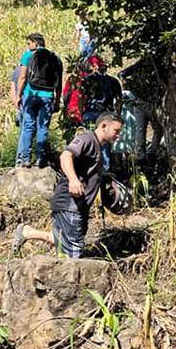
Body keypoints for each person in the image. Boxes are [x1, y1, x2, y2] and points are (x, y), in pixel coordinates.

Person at [12, 112, 123, 258]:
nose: (118, 135)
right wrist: (73, 179)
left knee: (67, 241)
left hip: (77, 206)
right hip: (70, 205)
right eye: (116, 131)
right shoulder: (87, 139)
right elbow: (65, 156)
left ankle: (28, 232)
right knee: (73, 255)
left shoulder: (97, 147)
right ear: (103, 126)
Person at [15, 33, 63, 168]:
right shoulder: (56, 59)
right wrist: (57, 101)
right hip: (47, 96)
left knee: (28, 126)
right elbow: (58, 83)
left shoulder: (28, 55)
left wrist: (19, 95)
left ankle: (25, 158)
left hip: (31, 94)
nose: (28, 46)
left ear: (35, 43)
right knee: (43, 128)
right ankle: (40, 159)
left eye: (29, 43)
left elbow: (23, 77)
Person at [82, 55, 122, 169]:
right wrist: (117, 115)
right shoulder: (114, 81)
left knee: (88, 142)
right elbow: (119, 100)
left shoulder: (87, 80)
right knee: (105, 145)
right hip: (107, 116)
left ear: (95, 67)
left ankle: (88, 170)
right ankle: (105, 171)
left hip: (90, 112)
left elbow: (81, 97)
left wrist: (80, 113)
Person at [119, 63, 163, 165]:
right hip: (149, 103)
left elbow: (121, 74)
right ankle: (148, 153)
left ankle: (142, 155)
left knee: (141, 130)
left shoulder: (139, 67)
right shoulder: (155, 66)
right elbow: (121, 74)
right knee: (155, 128)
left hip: (140, 102)